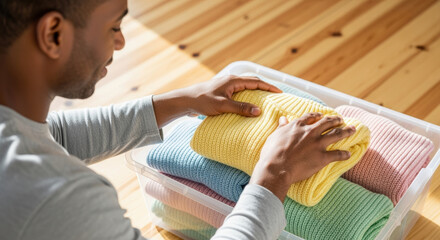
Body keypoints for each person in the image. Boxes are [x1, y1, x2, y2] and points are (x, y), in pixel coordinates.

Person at [0, 0, 355, 239]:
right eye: (113, 27)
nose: (121, 42)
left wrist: (180, 101)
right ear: (54, 34)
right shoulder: (61, 199)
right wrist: (275, 175)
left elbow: (46, 137)